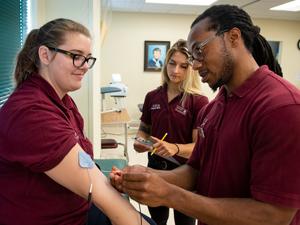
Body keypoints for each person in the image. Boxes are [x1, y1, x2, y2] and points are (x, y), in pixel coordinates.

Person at [110, 5, 300, 225]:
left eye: (199, 50)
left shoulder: (282, 107)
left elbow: (274, 216)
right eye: (193, 56)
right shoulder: (215, 106)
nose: (196, 64)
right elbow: (197, 170)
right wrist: (146, 177)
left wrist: (169, 195)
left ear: (233, 37)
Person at [0, 18, 154, 225]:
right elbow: (97, 191)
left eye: (88, 58)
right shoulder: (31, 112)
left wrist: (102, 176)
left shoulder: (63, 101)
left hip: (76, 208)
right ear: (45, 55)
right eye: (76, 56)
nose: (84, 66)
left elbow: (80, 159)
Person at [133, 39, 208, 225]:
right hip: (156, 167)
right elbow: (143, 132)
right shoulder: (153, 96)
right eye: (172, 64)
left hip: (185, 172)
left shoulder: (198, 101)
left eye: (183, 66)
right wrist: (142, 143)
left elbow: (198, 146)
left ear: (191, 69)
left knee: (185, 222)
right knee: (157, 220)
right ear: (166, 64)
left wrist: (174, 148)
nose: (176, 71)